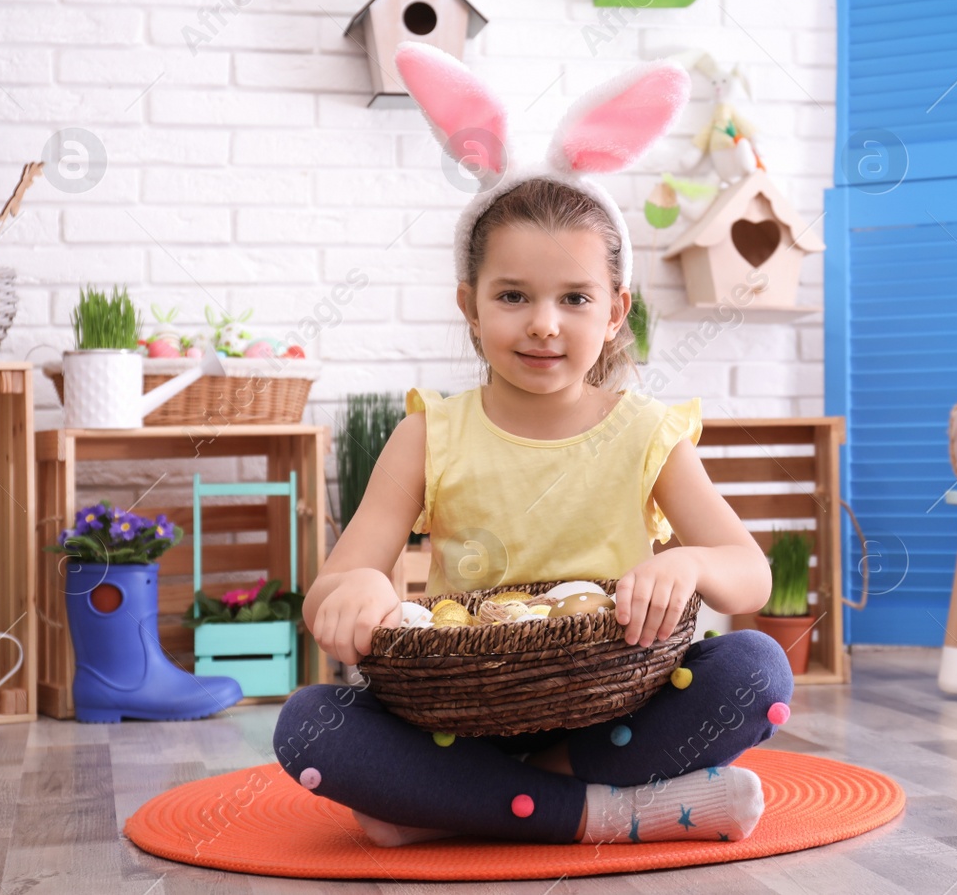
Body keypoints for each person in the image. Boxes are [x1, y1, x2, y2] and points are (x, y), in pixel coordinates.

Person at [273, 44, 794, 847]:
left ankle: (457, 805)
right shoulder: (429, 434)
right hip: (463, 717)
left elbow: (748, 569)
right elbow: (334, 586)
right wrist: (355, 598)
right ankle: (611, 813)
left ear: (614, 310)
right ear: (469, 306)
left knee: (756, 670)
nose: (544, 322)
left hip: (614, 712)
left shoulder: (647, 434)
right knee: (309, 725)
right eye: (512, 295)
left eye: (574, 297)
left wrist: (687, 563)